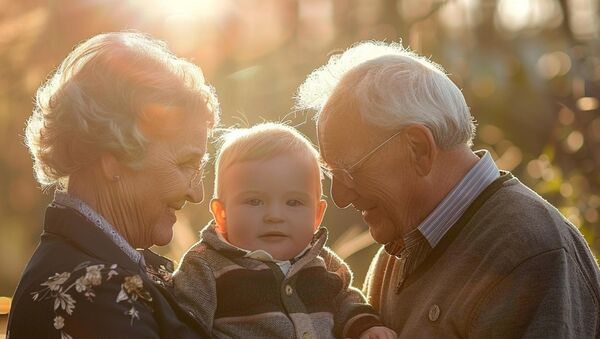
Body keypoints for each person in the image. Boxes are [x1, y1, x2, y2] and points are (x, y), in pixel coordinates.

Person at [295, 41, 600, 338]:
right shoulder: (402, 247)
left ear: (418, 148)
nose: (339, 197)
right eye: (330, 173)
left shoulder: (531, 253)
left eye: (349, 171)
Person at [8, 32, 219, 338]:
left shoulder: (97, 267)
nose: (197, 193)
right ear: (115, 158)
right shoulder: (94, 292)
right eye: (186, 164)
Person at [173, 123, 397, 339]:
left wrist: (366, 328)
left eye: (293, 202)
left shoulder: (323, 263)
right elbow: (186, 325)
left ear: (317, 216)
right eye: (254, 201)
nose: (275, 216)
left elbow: (347, 301)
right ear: (222, 214)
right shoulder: (205, 266)